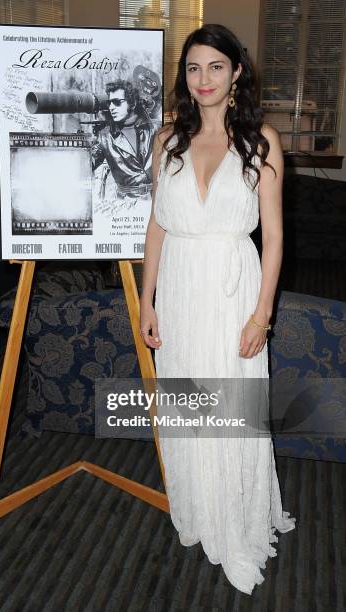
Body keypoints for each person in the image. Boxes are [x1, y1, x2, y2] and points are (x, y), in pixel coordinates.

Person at [139, 24, 296, 595]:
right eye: (192, 68)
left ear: (236, 74)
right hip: (180, 285)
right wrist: (147, 297)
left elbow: (275, 237)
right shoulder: (166, 141)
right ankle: (203, 510)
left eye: (214, 67)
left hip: (234, 287)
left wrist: (261, 316)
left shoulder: (261, 141)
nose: (202, 80)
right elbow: (156, 224)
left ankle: (237, 518)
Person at [91, 79, 156, 200]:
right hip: (126, 204)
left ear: (132, 103)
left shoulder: (154, 129)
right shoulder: (104, 137)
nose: (111, 107)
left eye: (117, 102)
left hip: (156, 200)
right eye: (109, 103)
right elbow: (86, 165)